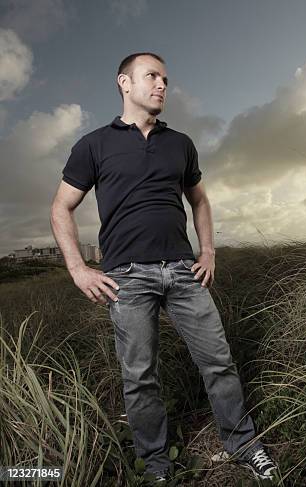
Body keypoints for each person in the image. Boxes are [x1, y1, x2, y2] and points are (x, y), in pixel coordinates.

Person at [50, 52, 278, 483]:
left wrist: (207, 251)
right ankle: (156, 466)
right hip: (126, 278)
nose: (161, 85)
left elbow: (200, 200)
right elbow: (61, 207)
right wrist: (78, 269)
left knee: (219, 363)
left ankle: (243, 445)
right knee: (140, 378)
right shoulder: (93, 144)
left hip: (181, 270)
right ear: (124, 82)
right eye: (151, 76)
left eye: (165, 79)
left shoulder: (181, 143)